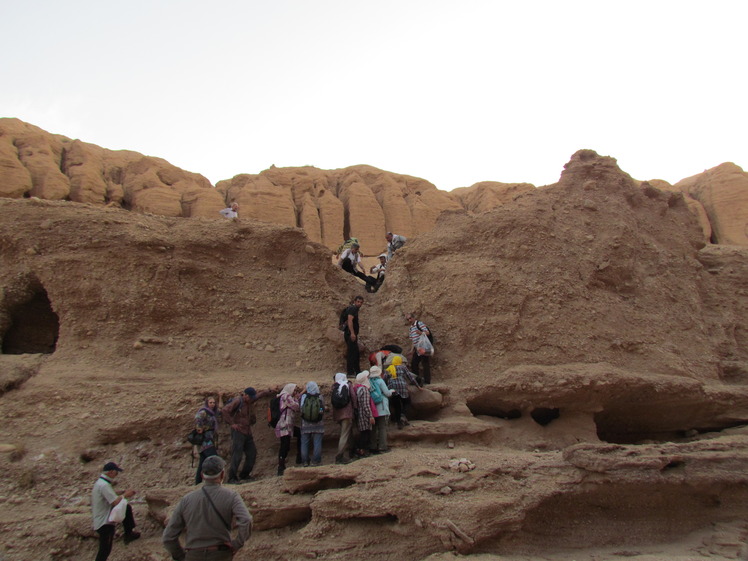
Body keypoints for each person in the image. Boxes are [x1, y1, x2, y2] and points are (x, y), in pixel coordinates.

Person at [162, 455, 252, 561]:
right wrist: (237, 544)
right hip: (220, 554)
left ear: (202, 475)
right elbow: (246, 520)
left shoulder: (186, 499)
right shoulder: (231, 496)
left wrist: (181, 556)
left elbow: (168, 537)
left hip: (193, 554)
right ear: (222, 474)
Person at [91, 461, 140, 561]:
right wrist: (126, 495)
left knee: (127, 508)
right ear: (111, 472)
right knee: (105, 550)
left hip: (101, 520)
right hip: (104, 522)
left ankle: (129, 532)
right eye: (116, 472)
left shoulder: (100, 483)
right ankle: (129, 534)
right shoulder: (104, 485)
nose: (117, 474)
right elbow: (114, 502)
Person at [221, 387, 271, 484]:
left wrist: (268, 391)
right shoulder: (237, 401)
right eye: (250, 397)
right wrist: (232, 424)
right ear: (246, 395)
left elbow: (258, 396)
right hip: (238, 432)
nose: (251, 399)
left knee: (252, 453)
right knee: (237, 455)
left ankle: (244, 475)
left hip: (247, 432)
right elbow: (224, 410)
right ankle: (232, 478)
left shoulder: (249, 400)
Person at [384, 355, 422, 429]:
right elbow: (410, 377)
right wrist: (418, 386)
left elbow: (385, 379)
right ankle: (403, 415)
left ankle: (399, 423)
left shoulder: (388, 369)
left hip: (392, 389)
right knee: (407, 402)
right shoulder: (403, 367)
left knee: (396, 406)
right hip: (402, 387)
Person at [275, 383, 300, 476]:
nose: (295, 392)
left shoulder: (284, 396)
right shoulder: (286, 396)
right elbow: (296, 406)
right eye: (295, 390)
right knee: (284, 445)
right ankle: (280, 467)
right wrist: (297, 398)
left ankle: (298, 457)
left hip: (287, 425)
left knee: (286, 444)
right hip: (284, 425)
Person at [194, 396, 220, 485]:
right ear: (207, 403)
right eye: (210, 403)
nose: (212, 404)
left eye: (213, 403)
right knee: (214, 459)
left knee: (202, 463)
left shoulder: (212, 413)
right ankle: (216, 481)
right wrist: (199, 428)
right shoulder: (204, 412)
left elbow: (221, 410)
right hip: (205, 440)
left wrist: (220, 397)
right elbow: (197, 418)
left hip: (210, 439)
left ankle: (197, 483)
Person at [368, 365, 393, 454]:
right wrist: (392, 391)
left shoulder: (368, 381)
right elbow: (387, 393)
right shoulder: (380, 381)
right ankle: (382, 446)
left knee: (373, 428)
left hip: (372, 408)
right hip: (381, 407)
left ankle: (373, 446)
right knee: (382, 427)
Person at [299, 381, 325, 466]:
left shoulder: (304, 396)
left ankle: (305, 461)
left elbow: (301, 408)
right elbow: (322, 409)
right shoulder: (320, 397)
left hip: (306, 423)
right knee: (317, 442)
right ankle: (316, 461)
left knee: (304, 442)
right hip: (318, 423)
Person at [331, 372, 353, 464]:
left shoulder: (334, 387)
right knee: (344, 435)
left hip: (338, 414)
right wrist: (355, 409)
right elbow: (353, 397)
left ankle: (351, 451)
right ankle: (339, 456)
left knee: (346, 433)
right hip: (347, 414)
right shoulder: (347, 385)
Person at [352, 371, 375, 458]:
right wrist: (370, 416)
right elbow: (366, 404)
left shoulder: (357, 389)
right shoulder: (364, 390)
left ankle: (361, 450)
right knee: (365, 434)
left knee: (363, 433)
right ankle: (362, 451)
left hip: (359, 414)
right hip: (364, 415)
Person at [406, 312, 432, 384]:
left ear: (414, 317)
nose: (409, 320)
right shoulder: (411, 328)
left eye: (410, 318)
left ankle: (427, 381)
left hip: (423, 347)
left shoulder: (419, 324)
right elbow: (413, 340)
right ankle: (417, 380)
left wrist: (420, 333)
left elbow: (428, 333)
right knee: (414, 363)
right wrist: (412, 350)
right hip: (417, 349)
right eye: (408, 319)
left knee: (425, 363)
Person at [343, 296, 364, 377]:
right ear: (355, 301)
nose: (359, 304)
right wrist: (352, 333)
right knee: (352, 353)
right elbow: (349, 320)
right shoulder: (353, 309)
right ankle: (350, 372)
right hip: (350, 334)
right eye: (358, 302)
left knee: (355, 352)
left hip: (350, 333)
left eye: (361, 302)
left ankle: (357, 371)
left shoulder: (353, 308)